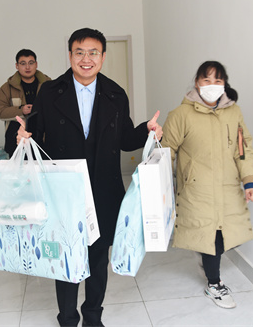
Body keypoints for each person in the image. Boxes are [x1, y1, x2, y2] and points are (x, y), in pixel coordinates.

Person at [16, 28, 162, 327]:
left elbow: (125, 138)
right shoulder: (50, 92)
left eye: (93, 52)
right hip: (63, 189)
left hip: (103, 189)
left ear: (103, 57)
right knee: (66, 255)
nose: (86, 59)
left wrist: (146, 130)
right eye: (79, 52)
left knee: (97, 258)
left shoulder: (115, 94)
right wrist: (20, 137)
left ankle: (93, 317)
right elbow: (34, 133)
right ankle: (67, 318)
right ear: (70, 55)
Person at [162, 60, 253, 310]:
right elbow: (167, 150)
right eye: (207, 80)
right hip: (197, 189)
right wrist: (162, 187)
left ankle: (206, 256)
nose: (212, 85)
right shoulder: (181, 115)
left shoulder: (233, 113)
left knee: (230, 236)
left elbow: (242, 149)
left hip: (227, 187)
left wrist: (249, 180)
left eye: (218, 80)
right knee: (213, 236)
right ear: (197, 83)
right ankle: (214, 284)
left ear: (224, 84)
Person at [0, 49, 50, 156]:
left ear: (36, 64)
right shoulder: (7, 87)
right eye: (23, 63)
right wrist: (20, 111)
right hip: (16, 139)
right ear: (17, 66)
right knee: (19, 166)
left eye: (31, 63)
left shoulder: (48, 84)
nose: (27, 67)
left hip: (44, 138)